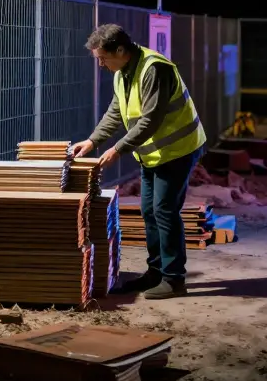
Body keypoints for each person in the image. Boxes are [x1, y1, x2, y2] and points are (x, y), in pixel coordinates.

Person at [71, 24, 206, 300]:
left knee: (164, 210)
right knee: (149, 211)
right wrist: (93, 141)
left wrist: (118, 149)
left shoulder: (154, 69)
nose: (101, 64)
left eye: (103, 58)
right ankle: (155, 272)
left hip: (178, 150)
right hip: (153, 154)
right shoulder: (123, 73)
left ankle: (174, 279)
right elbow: (116, 111)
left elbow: (150, 120)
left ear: (120, 50)